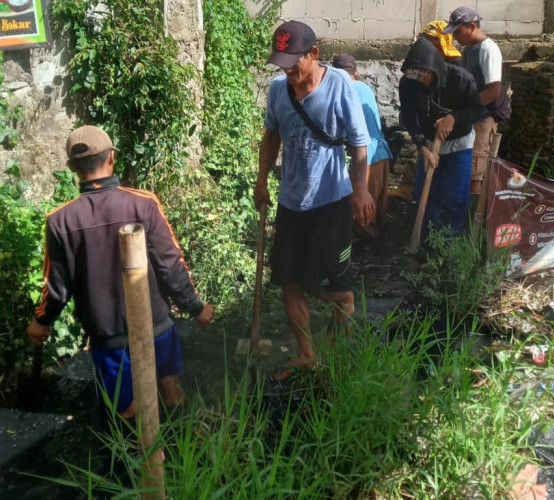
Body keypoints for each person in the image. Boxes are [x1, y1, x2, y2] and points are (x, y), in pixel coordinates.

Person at [26, 126, 215, 419]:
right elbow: (171, 264)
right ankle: (181, 449)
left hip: (107, 336)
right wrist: (197, 308)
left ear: (73, 168)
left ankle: (138, 459)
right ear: (111, 157)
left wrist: (41, 321)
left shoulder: (59, 221)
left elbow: (56, 288)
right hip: (157, 326)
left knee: (125, 410)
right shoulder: (143, 202)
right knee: (170, 388)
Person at [254, 21, 374, 381]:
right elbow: (271, 137)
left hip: (331, 202)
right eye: (282, 62)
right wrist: (261, 181)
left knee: (331, 288)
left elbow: (359, 144)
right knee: (290, 283)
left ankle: (344, 317)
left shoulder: (339, 85)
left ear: (314, 54)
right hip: (291, 203)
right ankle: (307, 354)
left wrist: (362, 188)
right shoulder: (278, 90)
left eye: (294, 61)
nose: (288, 70)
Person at [399, 37, 481, 241]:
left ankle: (449, 247)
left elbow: (476, 109)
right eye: (415, 76)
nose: (419, 80)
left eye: (423, 76)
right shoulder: (409, 84)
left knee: (454, 198)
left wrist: (453, 118)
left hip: (459, 144)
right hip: (428, 143)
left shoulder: (460, 79)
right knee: (425, 196)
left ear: (433, 69)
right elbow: (409, 117)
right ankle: (428, 243)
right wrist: (423, 148)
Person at [443, 7, 510, 214]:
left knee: (475, 173)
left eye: (457, 31)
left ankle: (473, 224)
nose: (454, 36)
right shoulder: (469, 49)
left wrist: (464, 110)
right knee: (466, 168)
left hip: (483, 118)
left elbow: (494, 90)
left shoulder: (487, 49)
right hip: (471, 116)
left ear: (471, 27)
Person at [331, 53, 392, 239]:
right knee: (377, 210)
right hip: (380, 153)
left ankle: (366, 255)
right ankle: (381, 253)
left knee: (361, 215)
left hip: (365, 155)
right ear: (355, 72)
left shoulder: (342, 88)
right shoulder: (365, 88)